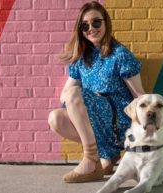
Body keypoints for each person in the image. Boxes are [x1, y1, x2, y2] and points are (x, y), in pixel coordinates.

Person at [48, 1, 145, 183]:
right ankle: (105, 155)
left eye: (96, 22)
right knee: (55, 118)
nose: (91, 28)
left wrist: (152, 127)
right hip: (96, 124)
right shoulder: (82, 58)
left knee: (74, 93)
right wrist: (87, 98)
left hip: (119, 123)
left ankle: (91, 160)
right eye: (85, 25)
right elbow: (65, 95)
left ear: (106, 23)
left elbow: (139, 96)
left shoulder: (120, 54)